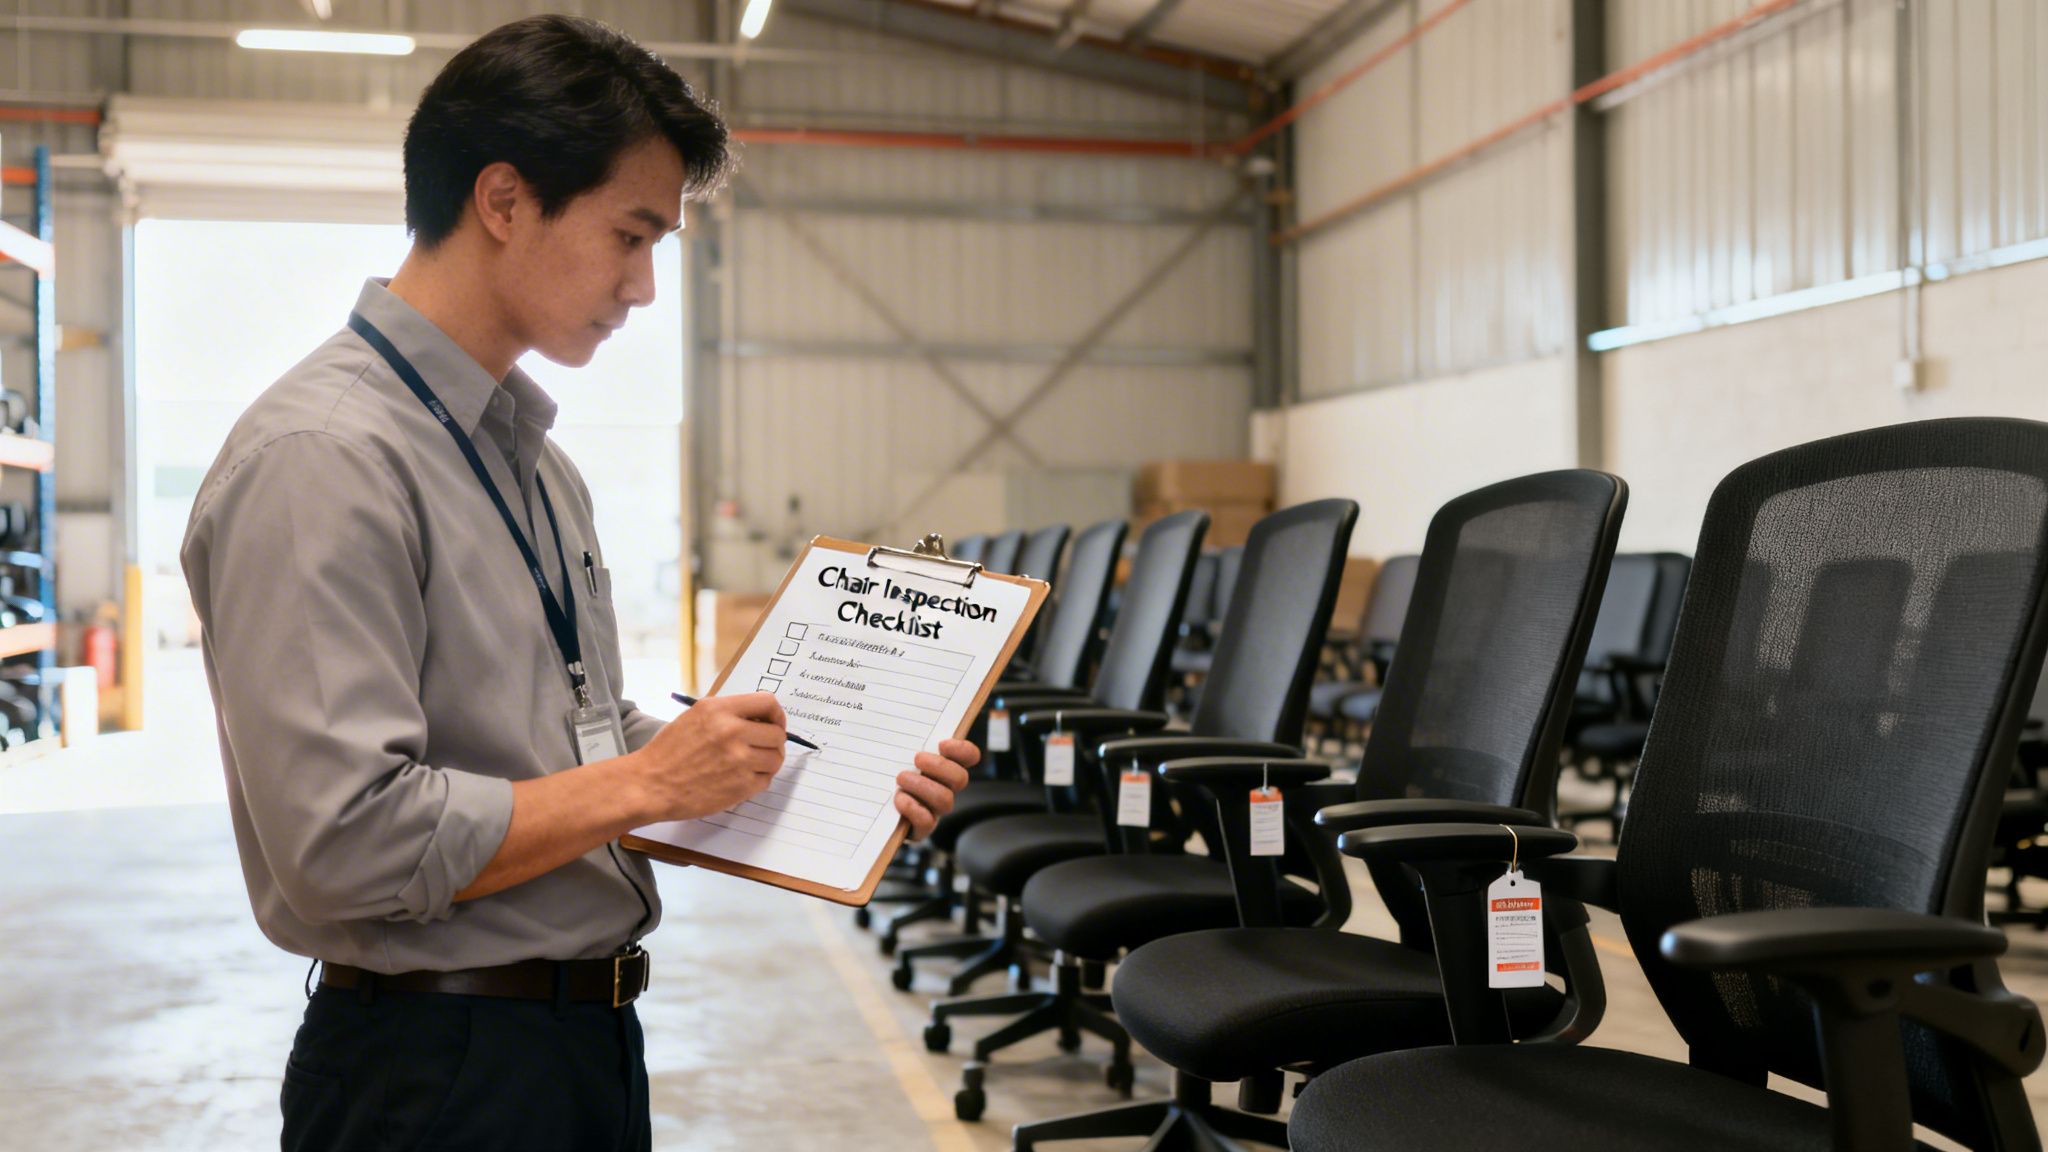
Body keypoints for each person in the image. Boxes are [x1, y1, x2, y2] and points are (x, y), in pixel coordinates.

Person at [179, 15, 977, 1151]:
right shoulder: (325, 459)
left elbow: (575, 749)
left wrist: (829, 778)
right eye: (630, 234)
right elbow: (345, 843)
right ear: (504, 201)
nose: (645, 287)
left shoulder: (532, 463)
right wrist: (651, 784)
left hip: (577, 1049)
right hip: (439, 1076)